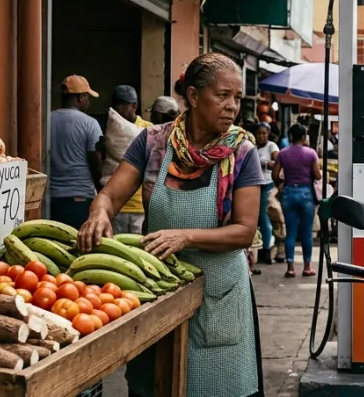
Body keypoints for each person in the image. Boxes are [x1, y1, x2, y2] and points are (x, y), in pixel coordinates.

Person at [77, 53, 266, 397]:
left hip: (219, 292)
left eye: (237, 98)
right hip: (158, 287)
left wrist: (186, 237)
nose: (232, 107)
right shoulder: (153, 143)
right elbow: (110, 195)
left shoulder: (242, 152)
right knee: (155, 385)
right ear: (193, 96)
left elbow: (244, 230)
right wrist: (99, 213)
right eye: (222, 95)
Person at [48, 75, 103, 230]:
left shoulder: (46, 120)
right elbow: (95, 161)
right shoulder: (90, 123)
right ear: (81, 97)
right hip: (80, 198)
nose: (88, 102)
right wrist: (101, 191)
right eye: (87, 97)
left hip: (51, 199)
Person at [101, 85, 154, 235]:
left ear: (134, 106)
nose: (119, 109)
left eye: (124, 104)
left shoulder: (148, 129)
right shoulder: (110, 128)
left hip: (139, 206)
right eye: (116, 104)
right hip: (117, 205)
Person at [272, 123, 322, 278]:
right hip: (306, 194)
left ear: (291, 136)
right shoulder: (311, 153)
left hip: (288, 193)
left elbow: (275, 174)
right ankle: (307, 267)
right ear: (304, 136)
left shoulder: (283, 153)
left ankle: (290, 268)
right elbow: (318, 175)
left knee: (291, 232)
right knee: (307, 232)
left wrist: (280, 185)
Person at [254, 122, 280, 272]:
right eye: (259, 133)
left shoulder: (272, 146)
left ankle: (266, 249)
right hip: (256, 185)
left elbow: (277, 163)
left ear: (268, 134)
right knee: (257, 217)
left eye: (264, 133)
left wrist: (267, 163)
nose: (261, 136)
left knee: (263, 217)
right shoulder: (255, 147)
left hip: (267, 184)